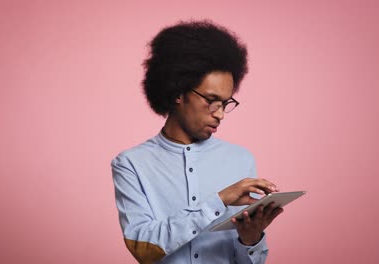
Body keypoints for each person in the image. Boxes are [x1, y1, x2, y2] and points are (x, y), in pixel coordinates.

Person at [111, 20, 283, 264]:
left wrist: (250, 239)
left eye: (225, 103)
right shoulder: (131, 164)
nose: (220, 114)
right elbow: (143, 248)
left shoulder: (240, 159)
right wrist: (219, 200)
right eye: (212, 100)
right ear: (177, 92)